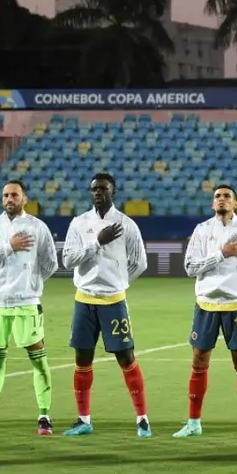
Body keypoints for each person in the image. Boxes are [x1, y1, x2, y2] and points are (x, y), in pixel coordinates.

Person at [172, 184, 237, 438]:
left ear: (236, 203)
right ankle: (194, 423)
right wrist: (220, 254)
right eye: (217, 196)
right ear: (212, 203)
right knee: (198, 362)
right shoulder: (202, 230)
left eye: (227, 196)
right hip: (206, 305)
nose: (222, 199)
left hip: (235, 307)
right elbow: (190, 267)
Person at [0, 180, 58, 435]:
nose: (9, 199)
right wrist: (8, 247)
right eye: (5, 195)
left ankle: (44, 417)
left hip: (26, 304)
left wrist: (31, 284)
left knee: (37, 359)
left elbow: (50, 263)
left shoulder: (37, 227)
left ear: (24, 199)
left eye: (14, 195)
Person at [60, 173, 151, 437]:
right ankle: (83, 419)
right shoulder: (80, 223)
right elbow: (68, 260)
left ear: (113, 191)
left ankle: (142, 419)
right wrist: (97, 241)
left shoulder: (127, 225)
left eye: (103, 188)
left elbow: (139, 262)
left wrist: (119, 282)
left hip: (113, 301)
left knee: (126, 357)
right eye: (93, 189)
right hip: (84, 300)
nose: (97, 193)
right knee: (82, 358)